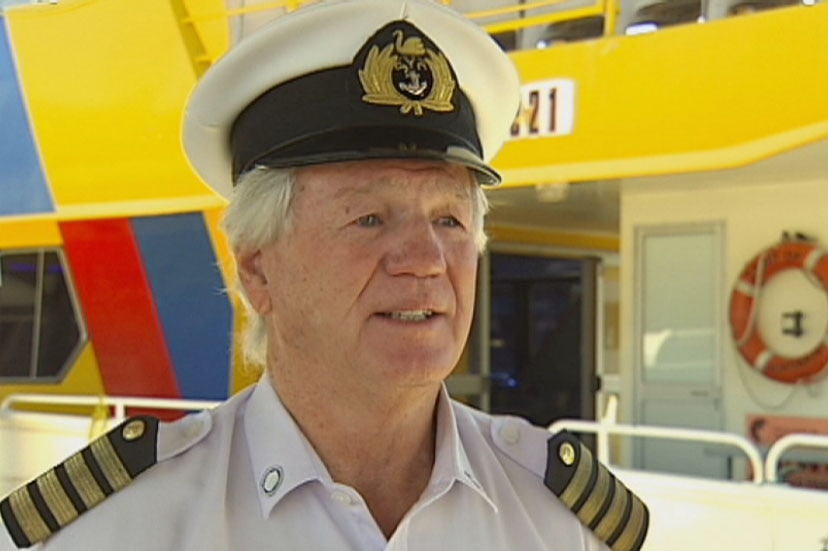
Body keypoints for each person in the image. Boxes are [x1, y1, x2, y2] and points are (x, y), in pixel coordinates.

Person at [0, 0, 648, 549]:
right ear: (257, 268)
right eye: (369, 217)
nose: (425, 258)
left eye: (450, 220)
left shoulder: (562, 523)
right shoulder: (118, 529)